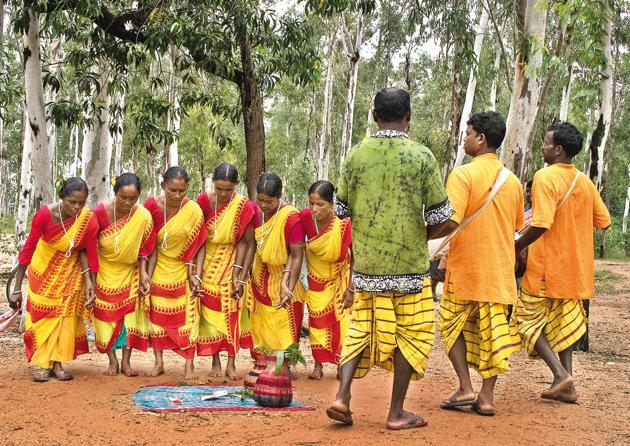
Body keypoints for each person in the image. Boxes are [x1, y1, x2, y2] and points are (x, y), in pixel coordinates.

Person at [327, 88, 455, 429]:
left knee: (359, 330)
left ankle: (342, 396)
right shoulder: (421, 156)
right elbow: (441, 215)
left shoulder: (356, 155)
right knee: (410, 335)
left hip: (367, 267)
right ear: (408, 117)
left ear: (374, 116)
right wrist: (421, 236)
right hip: (410, 269)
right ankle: (396, 412)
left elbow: (340, 209)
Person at [514, 122, 611, 403]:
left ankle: (559, 374)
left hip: (546, 266)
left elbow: (541, 223)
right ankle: (568, 386)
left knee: (525, 320)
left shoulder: (545, 177)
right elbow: (603, 221)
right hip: (575, 268)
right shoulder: (584, 181)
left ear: (558, 149)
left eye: (545, 143)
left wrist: (517, 245)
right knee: (564, 323)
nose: (542, 147)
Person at [438, 111, 523, 417]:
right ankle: (486, 397)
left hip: (466, 268)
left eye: (468, 132)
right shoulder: (513, 182)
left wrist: (427, 243)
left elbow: (451, 221)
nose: (464, 137)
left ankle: (464, 386)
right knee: (494, 334)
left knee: (450, 325)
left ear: (481, 139)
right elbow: (515, 227)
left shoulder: (462, 175)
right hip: (500, 269)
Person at [9, 177, 99, 382]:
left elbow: (88, 251)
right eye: (72, 202)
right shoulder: (44, 215)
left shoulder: (88, 219)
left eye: (81, 203)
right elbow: (28, 249)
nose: (77, 207)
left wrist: (90, 282)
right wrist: (17, 288)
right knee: (43, 315)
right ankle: (42, 361)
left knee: (64, 316)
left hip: (70, 271)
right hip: (43, 269)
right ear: (62, 198)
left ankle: (58, 362)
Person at [144, 167, 207, 379]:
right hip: (158, 267)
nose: (177, 195)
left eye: (182, 191)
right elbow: (147, 244)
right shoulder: (151, 206)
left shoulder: (194, 210)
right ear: (163, 186)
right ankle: (159, 362)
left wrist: (195, 274)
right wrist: (145, 274)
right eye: (172, 190)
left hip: (184, 269)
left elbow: (199, 245)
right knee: (157, 318)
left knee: (189, 318)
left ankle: (189, 365)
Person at [196, 163, 256, 380]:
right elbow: (198, 239)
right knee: (210, 315)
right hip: (208, 264)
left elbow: (248, 243)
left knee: (232, 313)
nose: (223, 194)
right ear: (213, 183)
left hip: (233, 261)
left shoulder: (243, 206)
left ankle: (231, 362)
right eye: (219, 188)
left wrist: (239, 273)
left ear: (236, 187)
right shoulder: (203, 202)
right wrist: (197, 270)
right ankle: (215, 360)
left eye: (228, 190)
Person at [92, 173, 155, 377]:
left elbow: (146, 248)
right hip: (104, 272)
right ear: (115, 193)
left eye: (133, 199)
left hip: (130, 272)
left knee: (130, 319)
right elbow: (90, 247)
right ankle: (112, 361)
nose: (128, 202)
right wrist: (90, 281)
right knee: (104, 317)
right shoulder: (100, 213)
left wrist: (144, 273)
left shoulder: (143, 216)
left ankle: (126, 362)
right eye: (123, 197)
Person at [246, 173, 305, 368]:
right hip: (260, 274)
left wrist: (287, 285)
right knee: (261, 320)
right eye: (259, 199)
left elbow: (296, 256)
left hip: (284, 275)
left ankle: (284, 364)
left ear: (279, 197)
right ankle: (262, 361)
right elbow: (249, 244)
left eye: (268, 201)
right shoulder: (253, 210)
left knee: (284, 321)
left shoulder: (291, 217)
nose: (263, 205)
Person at [297, 180, 353, 380]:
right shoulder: (304, 218)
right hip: (314, 283)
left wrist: (351, 288)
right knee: (316, 325)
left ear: (331, 204)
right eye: (311, 203)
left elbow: (355, 257)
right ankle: (318, 365)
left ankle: (341, 364)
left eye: (320, 204)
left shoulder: (344, 226)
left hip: (339, 283)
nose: (314, 209)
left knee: (341, 325)